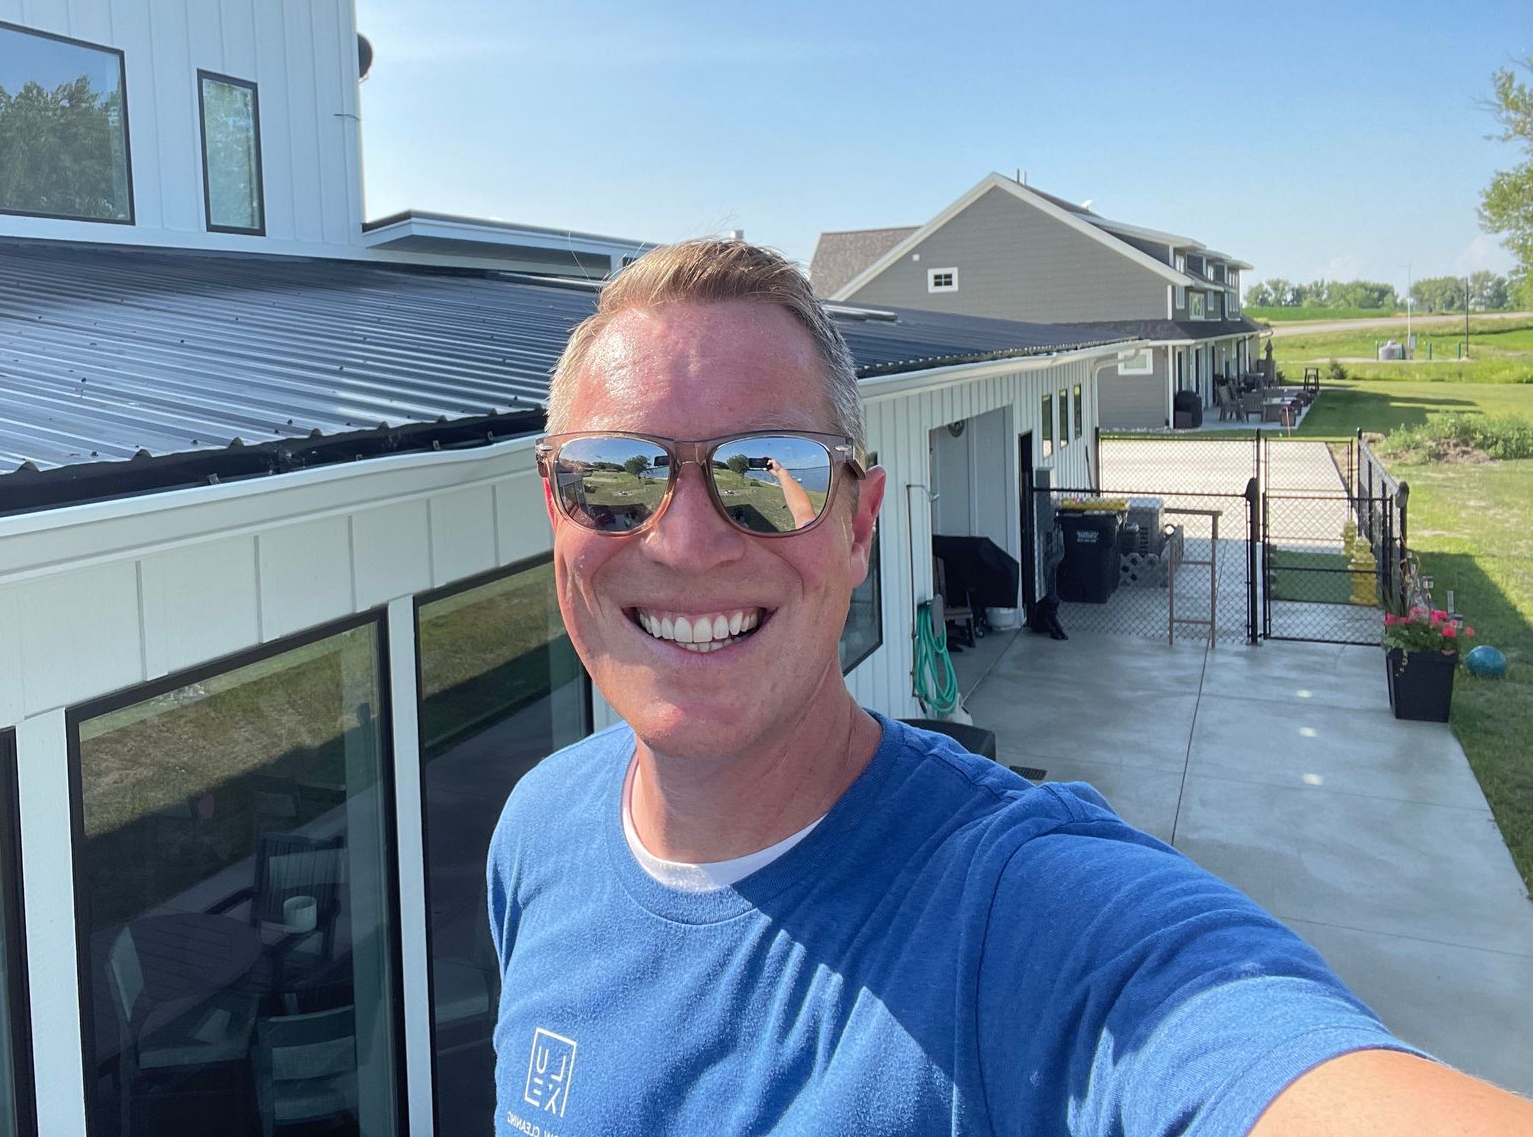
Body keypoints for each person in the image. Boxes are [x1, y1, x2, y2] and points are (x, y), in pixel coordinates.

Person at [486, 238, 1533, 1135]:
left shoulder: (1023, 917)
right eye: (614, 475)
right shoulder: (540, 833)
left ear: (860, 524)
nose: (685, 542)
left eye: (769, 471)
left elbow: (1235, 1046)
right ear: (555, 515)